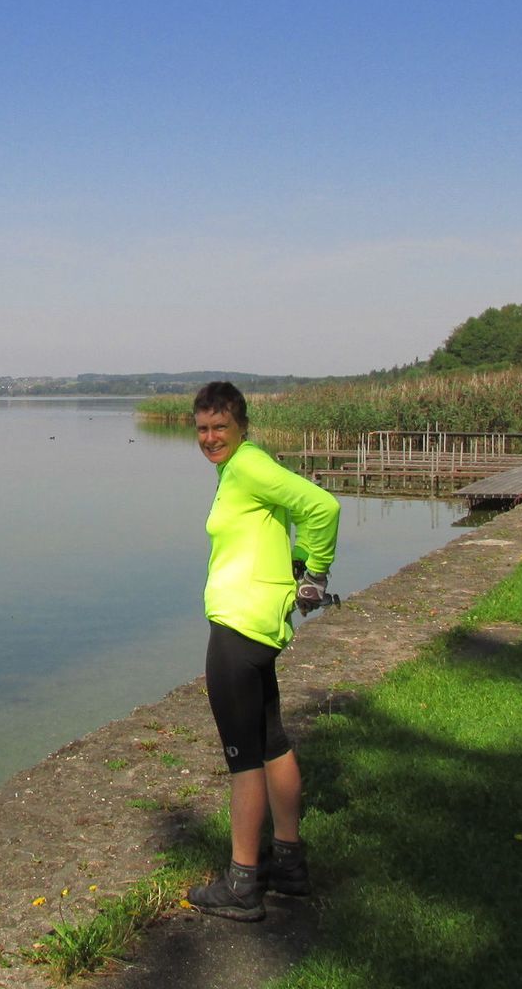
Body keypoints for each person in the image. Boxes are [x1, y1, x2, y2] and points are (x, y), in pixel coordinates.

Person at [186, 381, 341, 922]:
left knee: (243, 758)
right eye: (202, 429)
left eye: (220, 427)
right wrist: (297, 565)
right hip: (258, 625)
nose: (210, 438)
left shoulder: (248, 466)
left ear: (242, 426)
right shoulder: (239, 469)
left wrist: (315, 570)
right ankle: (289, 864)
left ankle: (243, 882)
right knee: (272, 742)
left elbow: (322, 506)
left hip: (237, 628)